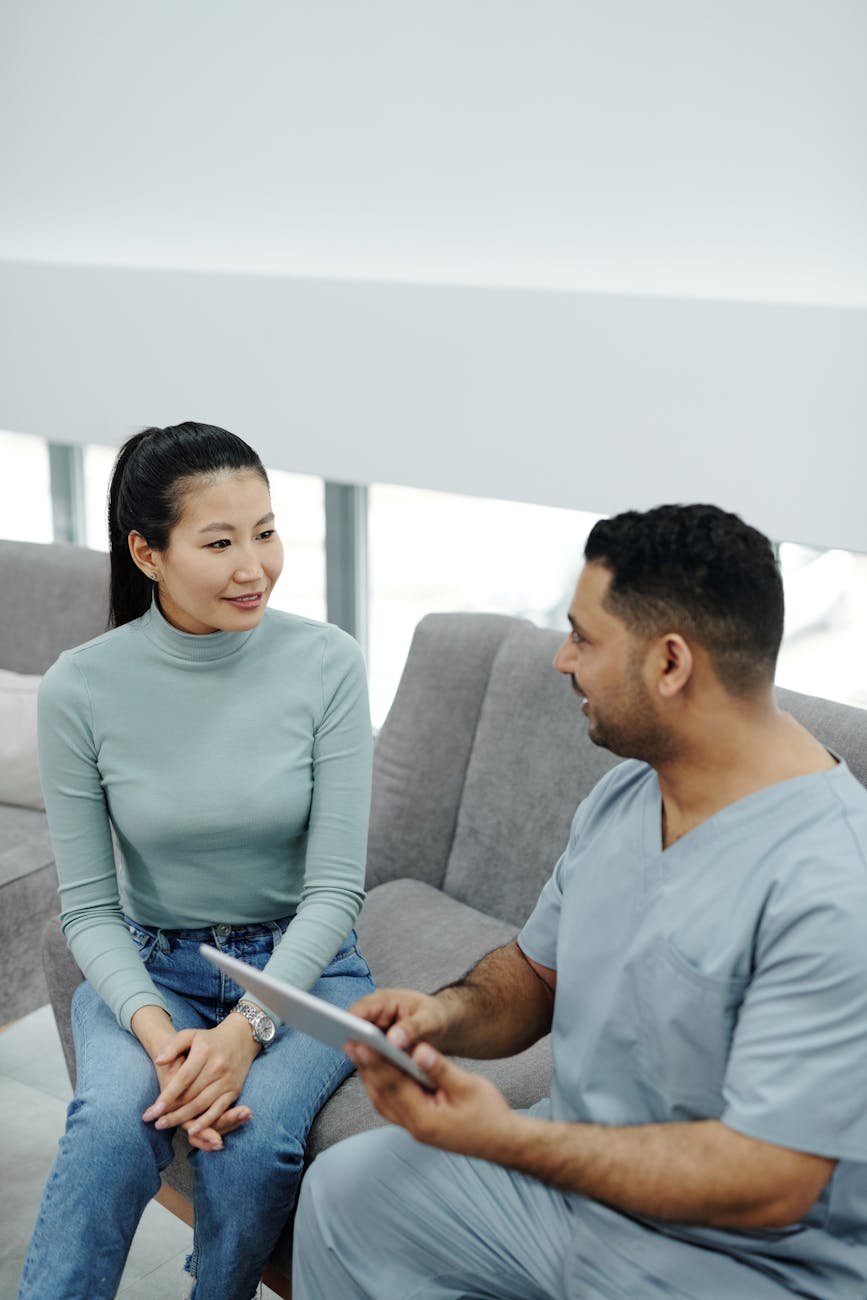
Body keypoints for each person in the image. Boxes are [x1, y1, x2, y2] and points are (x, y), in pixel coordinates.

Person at [292, 503, 867, 1300]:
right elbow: (536, 975)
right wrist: (443, 1016)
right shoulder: (626, 794)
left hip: (741, 1260)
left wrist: (511, 1139)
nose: (562, 660)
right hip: (568, 1193)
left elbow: (771, 1180)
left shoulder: (830, 883)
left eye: (584, 637)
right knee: (348, 1197)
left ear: (670, 664)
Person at [18, 422, 375, 1300]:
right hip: (156, 968)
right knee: (109, 1125)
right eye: (219, 541)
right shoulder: (81, 687)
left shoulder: (327, 663)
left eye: (265, 531)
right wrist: (157, 1032)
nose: (254, 565)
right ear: (147, 552)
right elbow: (89, 909)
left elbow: (335, 891)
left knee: (251, 1148)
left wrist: (245, 1030)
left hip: (308, 970)